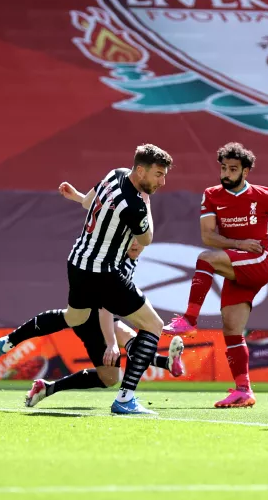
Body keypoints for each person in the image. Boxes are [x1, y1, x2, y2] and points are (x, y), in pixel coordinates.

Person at [0, 183, 185, 407]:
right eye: (134, 239)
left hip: (97, 309)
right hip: (96, 312)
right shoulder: (115, 255)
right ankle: (162, 365)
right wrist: (110, 343)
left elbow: (118, 214)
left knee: (109, 378)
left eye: (141, 241)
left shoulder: (132, 252)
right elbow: (105, 307)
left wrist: (81, 198)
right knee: (120, 330)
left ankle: (47, 387)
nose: (138, 245)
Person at [162, 142, 268, 408]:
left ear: (245, 172)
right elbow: (207, 235)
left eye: (233, 169)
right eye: (223, 168)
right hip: (237, 266)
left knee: (205, 259)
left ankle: (189, 319)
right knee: (232, 330)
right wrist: (239, 244)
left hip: (259, 261)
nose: (226, 174)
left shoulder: (263, 195)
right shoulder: (212, 195)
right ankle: (243, 390)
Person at [61, 144, 172, 415]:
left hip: (76, 264)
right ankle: (125, 398)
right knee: (153, 325)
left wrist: (76, 197)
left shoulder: (114, 174)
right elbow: (146, 239)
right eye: (158, 174)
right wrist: (147, 203)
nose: (162, 181)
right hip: (104, 273)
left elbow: (90, 202)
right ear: (141, 170)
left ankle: (8, 342)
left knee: (73, 317)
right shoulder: (134, 203)